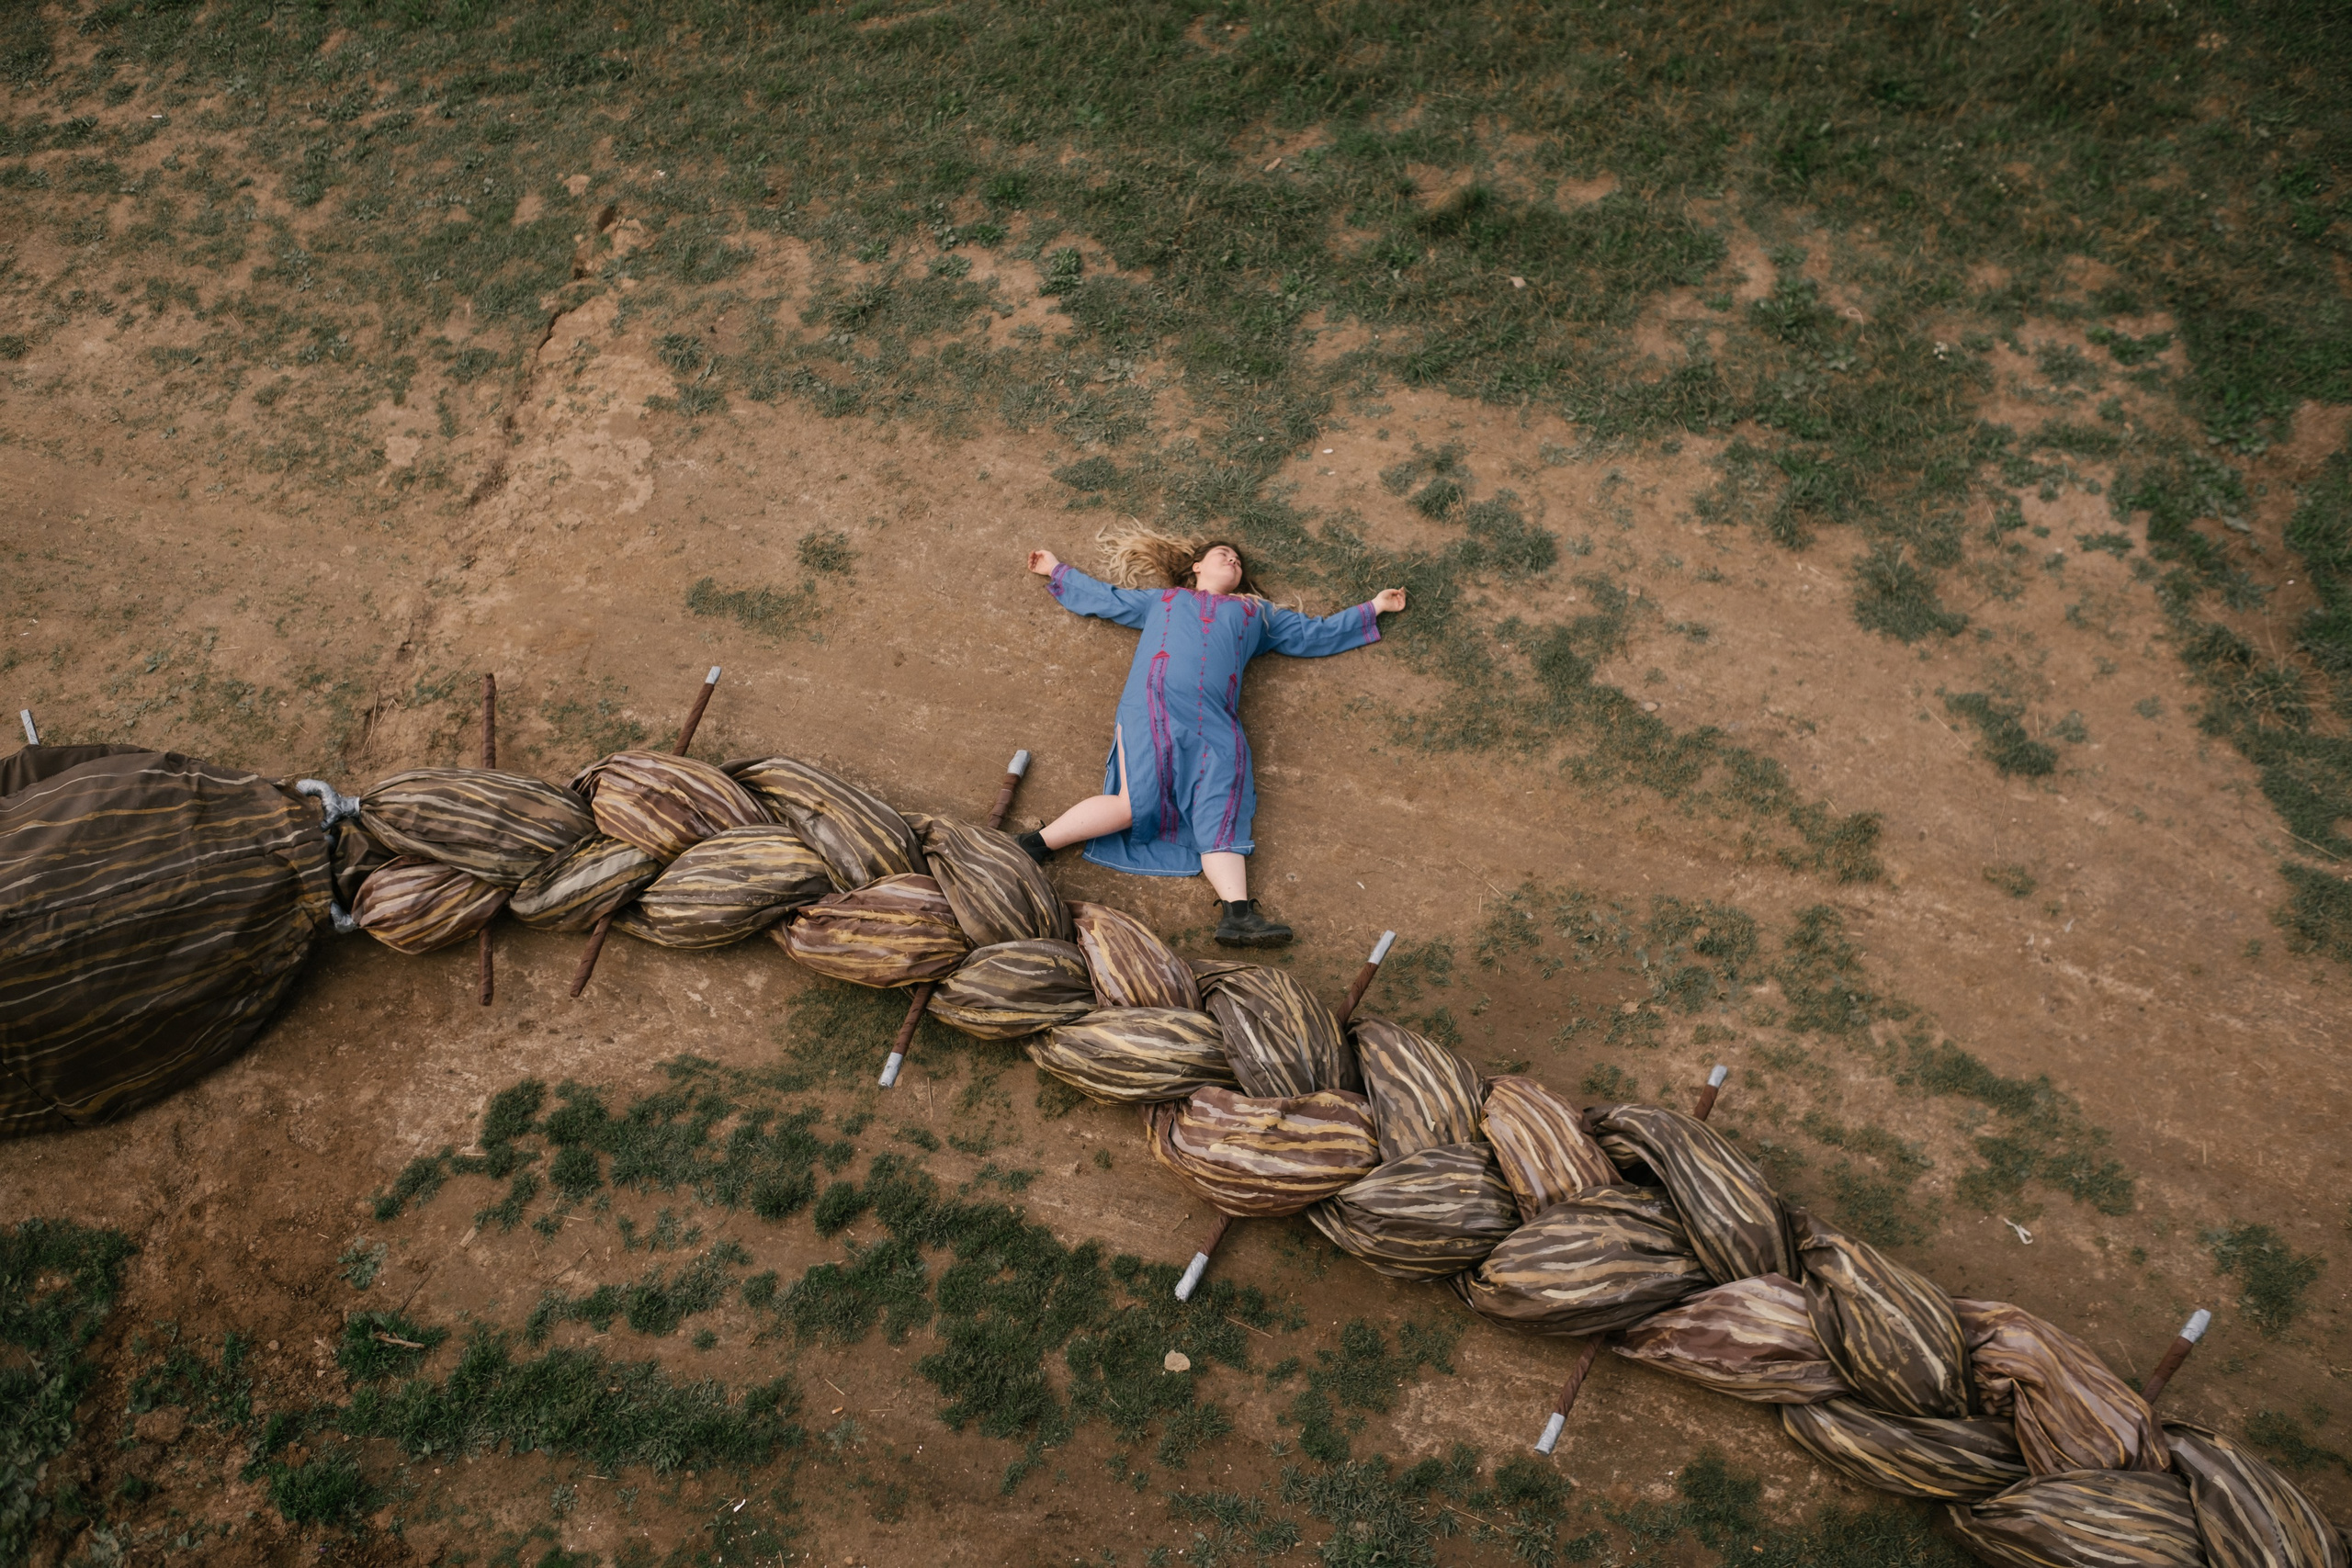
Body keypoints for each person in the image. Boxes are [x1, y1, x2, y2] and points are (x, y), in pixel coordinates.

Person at [1019, 534, 1407, 947]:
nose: (1234, 560)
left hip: (1216, 721)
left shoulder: (1257, 614)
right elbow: (1108, 598)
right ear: (1197, 567)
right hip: (1157, 703)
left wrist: (1375, 607)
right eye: (1224, 554)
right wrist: (1055, 569)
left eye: (1238, 560)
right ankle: (1031, 846)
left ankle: (1238, 916)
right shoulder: (1165, 600)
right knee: (1136, 802)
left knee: (1221, 808)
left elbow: (1313, 633)